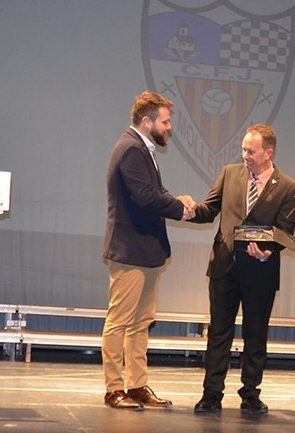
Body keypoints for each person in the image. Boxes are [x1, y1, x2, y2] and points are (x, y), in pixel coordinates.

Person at [189, 125, 295, 415]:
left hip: (260, 273)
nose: (244, 156)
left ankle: (250, 394)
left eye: (250, 151)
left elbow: (284, 233)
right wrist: (189, 210)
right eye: (243, 149)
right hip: (224, 266)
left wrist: (267, 252)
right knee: (218, 334)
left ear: (269, 152)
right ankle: (211, 394)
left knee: (255, 335)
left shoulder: (289, 187)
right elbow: (209, 209)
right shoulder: (230, 173)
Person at [101, 91, 195, 410]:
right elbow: (145, 197)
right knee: (120, 320)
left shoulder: (142, 148)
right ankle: (114, 389)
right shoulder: (131, 149)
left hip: (146, 250)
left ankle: (136, 385)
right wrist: (179, 209)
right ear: (147, 121)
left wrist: (177, 200)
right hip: (130, 250)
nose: (169, 127)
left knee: (141, 322)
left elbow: (154, 191)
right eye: (165, 121)